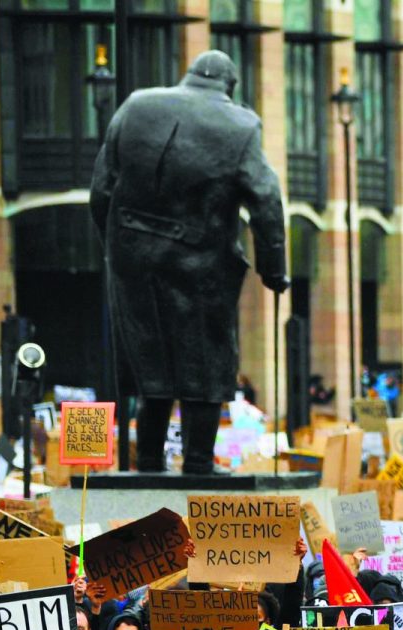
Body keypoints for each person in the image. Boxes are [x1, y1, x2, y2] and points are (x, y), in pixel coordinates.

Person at [91, 49, 287, 475]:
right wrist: (274, 269)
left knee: (150, 356)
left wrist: (115, 247)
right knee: (207, 355)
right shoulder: (241, 125)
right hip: (201, 261)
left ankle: (147, 459)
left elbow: (101, 189)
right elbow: (266, 200)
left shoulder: (136, 104)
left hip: (132, 254)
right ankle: (197, 460)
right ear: (229, 87)